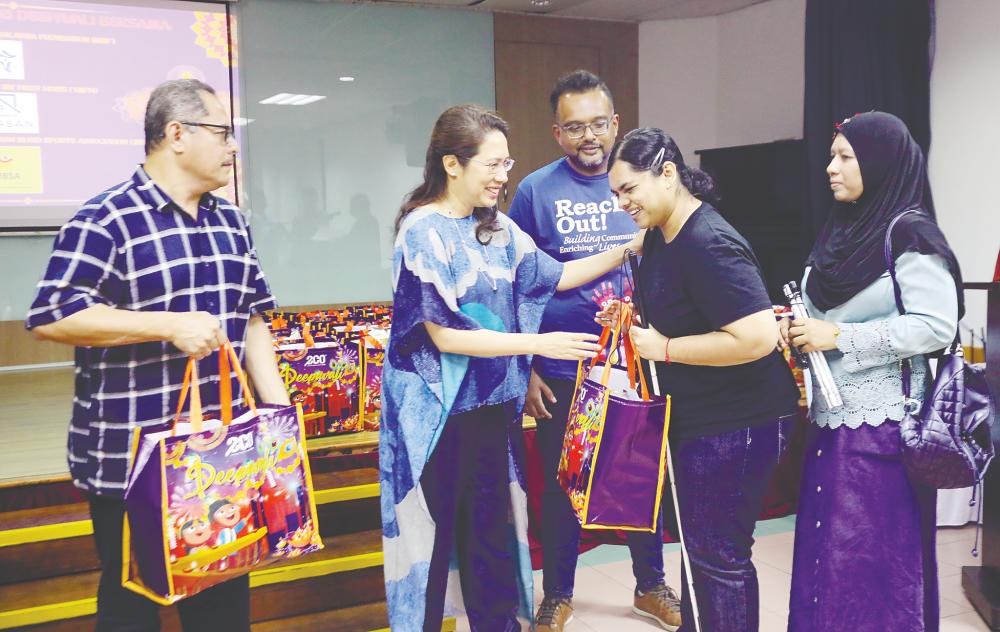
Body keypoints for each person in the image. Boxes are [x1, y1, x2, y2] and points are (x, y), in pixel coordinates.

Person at [25, 79, 289, 632]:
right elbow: (52, 315)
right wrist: (165, 326)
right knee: (133, 608)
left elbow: (253, 315)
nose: (232, 146)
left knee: (222, 602)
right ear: (176, 135)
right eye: (222, 133)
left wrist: (277, 413)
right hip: (131, 460)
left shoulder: (231, 221)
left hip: (224, 458)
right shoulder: (106, 219)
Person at [380, 104, 644, 632]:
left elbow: (558, 274)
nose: (504, 177)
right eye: (493, 165)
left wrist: (628, 248)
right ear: (452, 165)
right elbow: (444, 333)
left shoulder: (497, 228)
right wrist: (540, 341)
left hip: (493, 409)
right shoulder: (422, 231)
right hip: (436, 419)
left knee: (492, 536)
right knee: (433, 539)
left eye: (507, 163)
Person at [599, 127, 800, 632]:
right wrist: (635, 316)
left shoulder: (709, 241)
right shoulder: (664, 236)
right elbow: (692, 311)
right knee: (698, 552)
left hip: (737, 422)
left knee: (718, 558)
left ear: (668, 174)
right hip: (702, 419)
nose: (621, 203)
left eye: (628, 190)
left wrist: (663, 348)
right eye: (615, 193)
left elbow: (755, 336)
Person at [507, 69, 680, 632]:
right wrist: (528, 366)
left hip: (636, 361)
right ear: (557, 133)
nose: (590, 137)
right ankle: (557, 594)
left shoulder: (644, 182)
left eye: (599, 124)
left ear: (616, 123)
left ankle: (650, 585)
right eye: (575, 127)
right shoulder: (535, 190)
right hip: (563, 366)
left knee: (639, 476)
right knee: (564, 485)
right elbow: (519, 282)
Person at [783, 111, 962, 632]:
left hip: (883, 433)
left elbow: (935, 325)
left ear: (880, 164)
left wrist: (839, 337)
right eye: (831, 156)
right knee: (829, 557)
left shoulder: (910, 233)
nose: (830, 168)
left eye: (845, 157)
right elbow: (822, 313)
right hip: (829, 425)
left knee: (874, 563)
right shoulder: (843, 230)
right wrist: (796, 329)